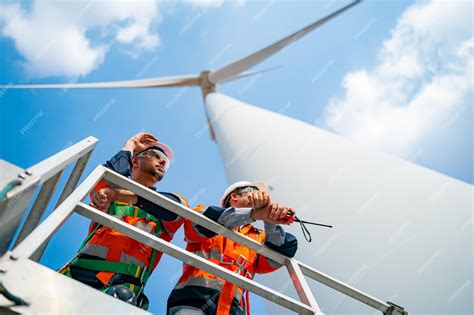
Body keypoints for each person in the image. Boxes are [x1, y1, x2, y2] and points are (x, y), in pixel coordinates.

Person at [59, 133, 188, 309]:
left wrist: (117, 195)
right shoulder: (109, 191)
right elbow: (107, 176)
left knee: (120, 299)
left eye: (165, 160)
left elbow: (176, 210)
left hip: (122, 285)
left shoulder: (167, 206)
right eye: (156, 155)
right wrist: (130, 145)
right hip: (79, 273)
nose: (163, 162)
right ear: (135, 162)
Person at [167, 181, 298, 315]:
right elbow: (198, 221)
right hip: (194, 299)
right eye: (252, 190)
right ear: (234, 197)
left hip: (233, 308)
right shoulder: (206, 213)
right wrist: (254, 214)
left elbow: (285, 249)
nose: (259, 195)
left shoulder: (259, 236)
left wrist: (269, 220)